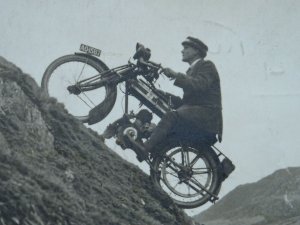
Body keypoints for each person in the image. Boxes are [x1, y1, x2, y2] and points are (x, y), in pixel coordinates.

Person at [130, 36, 223, 161]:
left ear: (196, 51)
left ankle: (145, 149)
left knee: (171, 115)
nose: (182, 51)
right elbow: (187, 102)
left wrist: (176, 75)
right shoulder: (191, 70)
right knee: (163, 105)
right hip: (197, 112)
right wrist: (160, 93)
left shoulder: (207, 66)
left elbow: (199, 84)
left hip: (207, 116)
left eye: (186, 48)